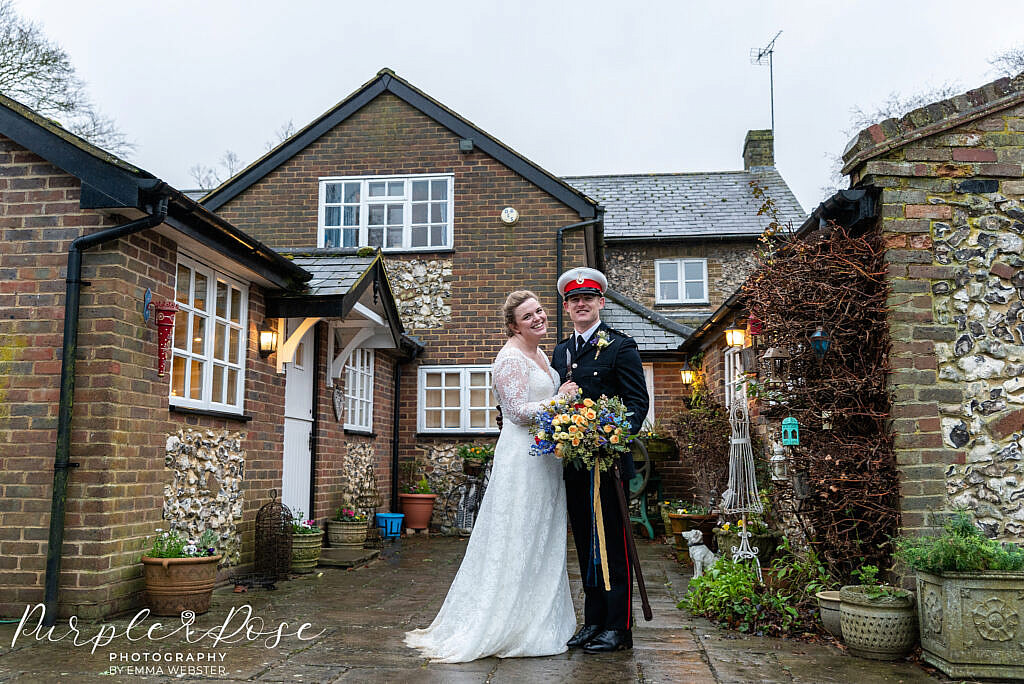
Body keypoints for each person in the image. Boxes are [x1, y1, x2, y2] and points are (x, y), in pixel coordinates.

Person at [404, 290, 578, 663]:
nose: (538, 318)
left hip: (546, 459)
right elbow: (516, 412)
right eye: (528, 315)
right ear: (513, 325)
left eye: (540, 311)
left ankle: (538, 619)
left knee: (541, 536)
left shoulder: (542, 355)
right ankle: (505, 624)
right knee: (516, 534)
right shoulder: (509, 359)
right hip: (522, 459)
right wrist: (561, 400)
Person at [551, 267, 649, 654]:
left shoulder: (620, 347)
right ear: (567, 307)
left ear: (601, 302)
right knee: (587, 545)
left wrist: (611, 437)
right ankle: (593, 621)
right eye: (574, 300)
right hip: (574, 464)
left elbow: (637, 403)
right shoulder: (561, 351)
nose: (581, 304)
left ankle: (618, 627)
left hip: (607, 465)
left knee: (612, 544)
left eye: (588, 298)